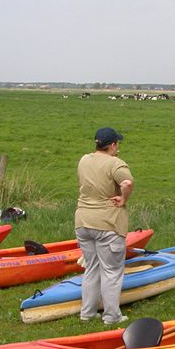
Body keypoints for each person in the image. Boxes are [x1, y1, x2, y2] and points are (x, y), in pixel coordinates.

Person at [74, 127, 134, 325]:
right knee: (111, 271)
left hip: (83, 221)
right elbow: (127, 183)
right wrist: (123, 199)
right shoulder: (115, 163)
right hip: (108, 223)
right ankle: (111, 316)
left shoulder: (84, 160)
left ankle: (87, 313)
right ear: (113, 145)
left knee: (91, 268)